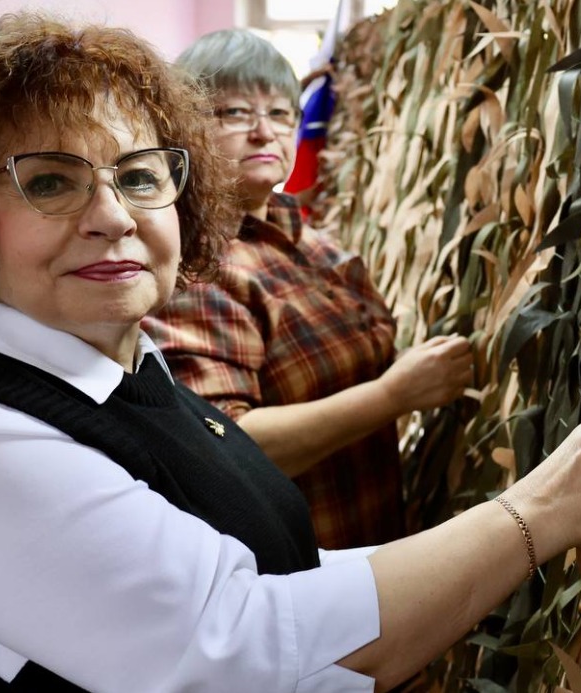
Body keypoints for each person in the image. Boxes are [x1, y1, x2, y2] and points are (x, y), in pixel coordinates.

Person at [0, 13, 581, 692]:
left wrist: (490, 537)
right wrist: (540, 509)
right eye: (51, 182)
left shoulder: (129, 373)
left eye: (139, 177)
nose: (111, 214)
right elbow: (245, 650)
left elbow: (283, 573)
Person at [143, 29, 472, 549]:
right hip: (295, 573)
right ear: (183, 128)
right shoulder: (194, 266)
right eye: (233, 113)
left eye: (280, 114)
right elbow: (223, 444)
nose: (264, 132)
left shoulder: (315, 244)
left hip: (371, 543)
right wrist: (394, 395)